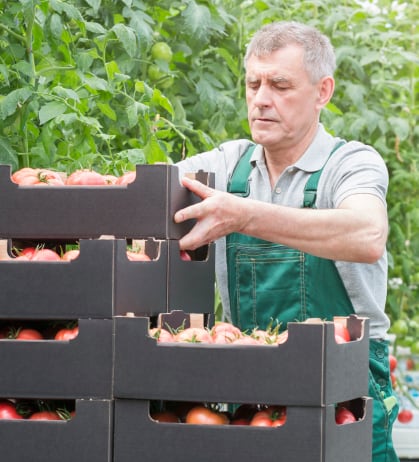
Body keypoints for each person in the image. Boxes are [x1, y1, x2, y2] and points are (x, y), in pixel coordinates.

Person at [174, 21, 398, 462]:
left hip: (344, 392)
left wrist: (244, 215)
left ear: (322, 91)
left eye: (280, 85)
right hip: (251, 386)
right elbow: (145, 191)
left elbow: (367, 234)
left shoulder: (349, 164)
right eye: (253, 83)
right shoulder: (227, 164)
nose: (260, 99)